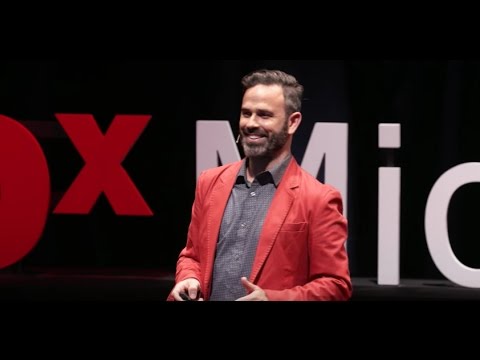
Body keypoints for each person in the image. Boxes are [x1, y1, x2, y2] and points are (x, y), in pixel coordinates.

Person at [167, 69, 352, 301]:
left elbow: (336, 286)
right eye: (246, 113)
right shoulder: (210, 182)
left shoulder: (319, 198)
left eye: (264, 115)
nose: (251, 124)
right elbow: (192, 256)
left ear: (292, 122)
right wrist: (188, 278)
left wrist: (271, 299)